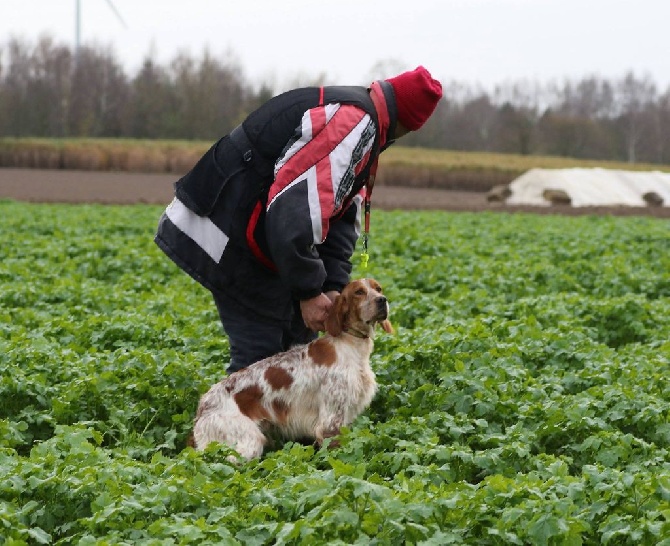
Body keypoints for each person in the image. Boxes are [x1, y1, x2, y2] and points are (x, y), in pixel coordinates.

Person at [155, 66, 443, 374]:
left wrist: (331, 285)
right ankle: (228, 419)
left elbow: (341, 217)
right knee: (262, 356)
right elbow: (292, 213)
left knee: (298, 343)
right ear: (406, 126)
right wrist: (308, 292)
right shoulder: (352, 124)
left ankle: (281, 421)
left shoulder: (364, 127)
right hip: (226, 231)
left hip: (258, 236)